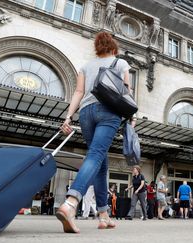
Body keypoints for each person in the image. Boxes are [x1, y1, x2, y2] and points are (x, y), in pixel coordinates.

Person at [57, 31, 131, 233]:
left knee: (100, 163)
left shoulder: (86, 66)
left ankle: (103, 214)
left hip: (86, 112)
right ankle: (71, 204)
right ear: (114, 48)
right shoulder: (121, 63)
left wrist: (68, 117)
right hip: (109, 111)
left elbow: (78, 92)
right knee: (96, 155)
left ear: (97, 48)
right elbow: (126, 92)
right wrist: (130, 118)